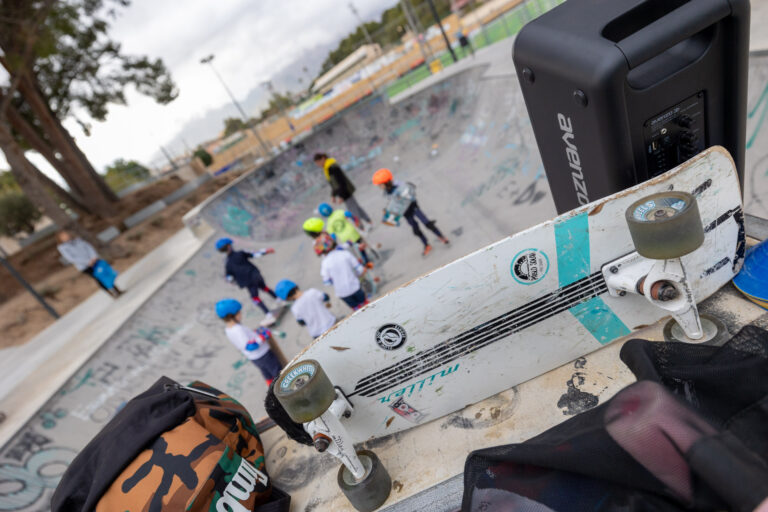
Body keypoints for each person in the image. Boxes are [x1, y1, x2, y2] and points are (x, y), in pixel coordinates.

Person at [372, 168, 449, 256]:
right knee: (415, 229)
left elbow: (410, 191)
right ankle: (426, 245)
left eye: (380, 185)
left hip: (413, 208)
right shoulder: (386, 192)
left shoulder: (399, 185)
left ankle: (441, 237)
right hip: (406, 213)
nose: (379, 187)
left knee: (427, 223)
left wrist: (403, 197)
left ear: (386, 182)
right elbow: (392, 203)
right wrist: (388, 210)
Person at [215, 299, 283, 385]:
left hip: (254, 358)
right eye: (239, 313)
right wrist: (263, 336)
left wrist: (256, 333)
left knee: (267, 374)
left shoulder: (228, 330)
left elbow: (243, 341)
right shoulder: (238, 329)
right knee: (278, 372)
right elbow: (250, 346)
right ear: (231, 315)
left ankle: (272, 391)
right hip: (263, 354)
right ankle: (286, 390)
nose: (241, 315)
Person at [216, 237, 279, 325]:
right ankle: (279, 299)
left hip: (248, 281)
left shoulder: (227, 264)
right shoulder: (240, 253)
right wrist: (266, 251)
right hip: (255, 275)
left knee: (255, 298)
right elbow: (254, 254)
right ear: (230, 246)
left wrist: (234, 281)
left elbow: (229, 278)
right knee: (264, 288)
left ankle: (268, 314)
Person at [313, 152, 373, 228]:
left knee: (352, 209)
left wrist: (341, 196)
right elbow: (333, 183)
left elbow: (341, 181)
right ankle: (369, 222)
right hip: (343, 190)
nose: (318, 165)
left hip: (345, 190)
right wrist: (333, 195)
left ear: (323, 158)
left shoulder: (332, 166)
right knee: (355, 207)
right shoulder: (327, 168)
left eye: (318, 162)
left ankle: (362, 227)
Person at [56, 230, 123, 298]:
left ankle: (116, 290)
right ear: (60, 238)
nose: (65, 236)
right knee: (99, 278)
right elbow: (72, 258)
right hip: (85, 266)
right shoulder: (62, 247)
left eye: (65, 234)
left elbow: (89, 247)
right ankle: (111, 293)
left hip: (94, 260)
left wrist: (93, 257)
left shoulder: (77, 240)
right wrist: (88, 262)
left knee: (105, 275)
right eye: (63, 236)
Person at [315, 232, 369, 311]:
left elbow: (327, 282)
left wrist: (337, 280)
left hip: (342, 293)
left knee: (357, 310)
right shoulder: (345, 254)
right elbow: (360, 270)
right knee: (366, 305)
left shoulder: (325, 263)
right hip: (354, 287)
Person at [317, 202, 373, 267]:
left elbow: (333, 236)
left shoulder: (329, 224)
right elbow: (349, 214)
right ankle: (367, 261)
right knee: (361, 247)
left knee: (353, 252)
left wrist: (333, 246)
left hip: (346, 239)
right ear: (331, 207)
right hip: (353, 233)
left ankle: (359, 264)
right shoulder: (339, 212)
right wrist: (356, 221)